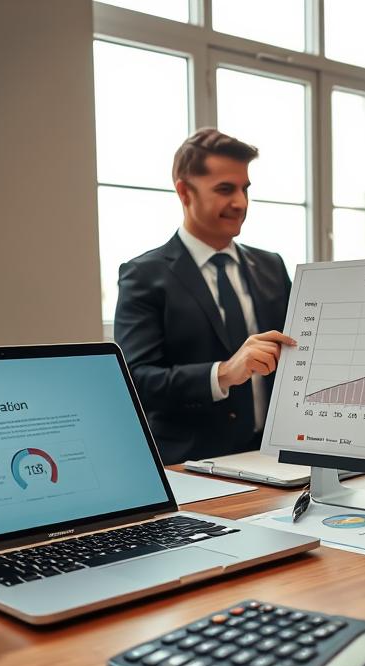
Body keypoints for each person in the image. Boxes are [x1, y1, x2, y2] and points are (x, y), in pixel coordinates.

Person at [114, 128, 296, 464]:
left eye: (244, 189)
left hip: (279, 462)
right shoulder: (143, 275)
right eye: (225, 189)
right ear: (184, 192)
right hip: (193, 467)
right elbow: (137, 381)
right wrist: (224, 373)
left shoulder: (272, 265)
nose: (240, 202)